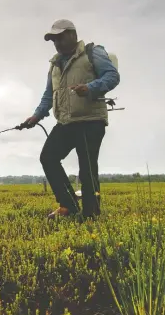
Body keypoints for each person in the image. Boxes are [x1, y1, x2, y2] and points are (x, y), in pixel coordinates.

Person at [22, 19, 120, 221]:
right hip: (66, 122)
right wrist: (36, 115)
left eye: (60, 37)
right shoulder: (55, 64)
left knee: (87, 168)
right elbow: (49, 95)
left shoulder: (93, 53)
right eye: (53, 39)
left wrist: (90, 88)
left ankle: (91, 214)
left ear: (73, 35)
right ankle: (69, 205)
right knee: (48, 157)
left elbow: (112, 76)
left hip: (91, 120)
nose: (56, 42)